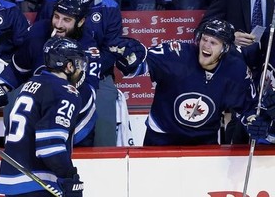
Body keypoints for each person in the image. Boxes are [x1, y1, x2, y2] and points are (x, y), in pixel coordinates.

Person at [110, 18, 259, 146]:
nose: (206, 46)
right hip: (163, 136)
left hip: (205, 141)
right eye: (204, 39)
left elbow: (247, 108)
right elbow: (141, 64)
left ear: (224, 48)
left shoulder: (236, 70)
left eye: (213, 43)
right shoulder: (176, 53)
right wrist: (131, 60)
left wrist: (253, 121)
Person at [0, 0, 98, 146]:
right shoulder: (39, 32)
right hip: (38, 112)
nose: (58, 25)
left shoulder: (87, 48)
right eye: (57, 16)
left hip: (74, 121)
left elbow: (86, 95)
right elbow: (18, 68)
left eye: (67, 20)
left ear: (80, 22)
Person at [36, 0, 123, 146]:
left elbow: (112, 50)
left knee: (105, 127)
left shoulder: (110, 7)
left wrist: (80, 71)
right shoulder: (52, 0)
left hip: (98, 74)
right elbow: (41, 39)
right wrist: (60, 71)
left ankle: (106, 162)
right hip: (54, 72)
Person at [0, 36, 85, 197]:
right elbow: (50, 145)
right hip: (37, 183)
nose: (81, 70)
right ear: (69, 66)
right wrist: (69, 176)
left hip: (12, 182)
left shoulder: (30, 85)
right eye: (78, 64)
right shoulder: (65, 91)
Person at [199, 0, 275, 144]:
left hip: (267, 72)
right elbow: (203, 29)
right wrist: (229, 36)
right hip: (235, 70)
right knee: (239, 119)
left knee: (261, 122)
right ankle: (232, 154)